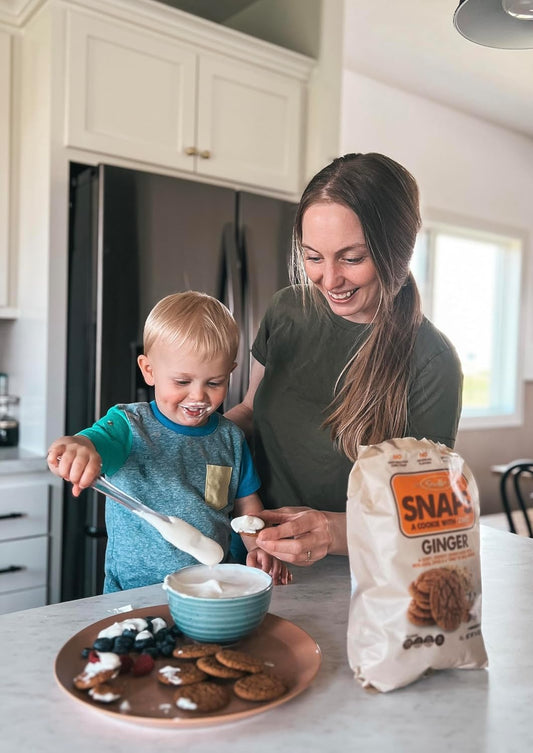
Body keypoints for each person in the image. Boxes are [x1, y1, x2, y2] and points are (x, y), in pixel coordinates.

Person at [225, 152, 463, 567]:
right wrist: (170, 437)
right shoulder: (287, 311)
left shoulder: (432, 361)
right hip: (256, 559)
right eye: (313, 257)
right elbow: (249, 411)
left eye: (352, 258)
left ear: (398, 253)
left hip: (358, 580)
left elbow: (426, 517)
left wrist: (330, 531)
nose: (329, 280)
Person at [48, 291, 290, 592]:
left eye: (214, 383)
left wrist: (259, 548)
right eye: (182, 382)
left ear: (230, 373)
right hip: (135, 590)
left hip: (210, 586)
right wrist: (78, 448)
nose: (199, 396)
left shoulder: (229, 437)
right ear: (149, 370)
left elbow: (246, 507)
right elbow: (93, 442)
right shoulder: (128, 425)